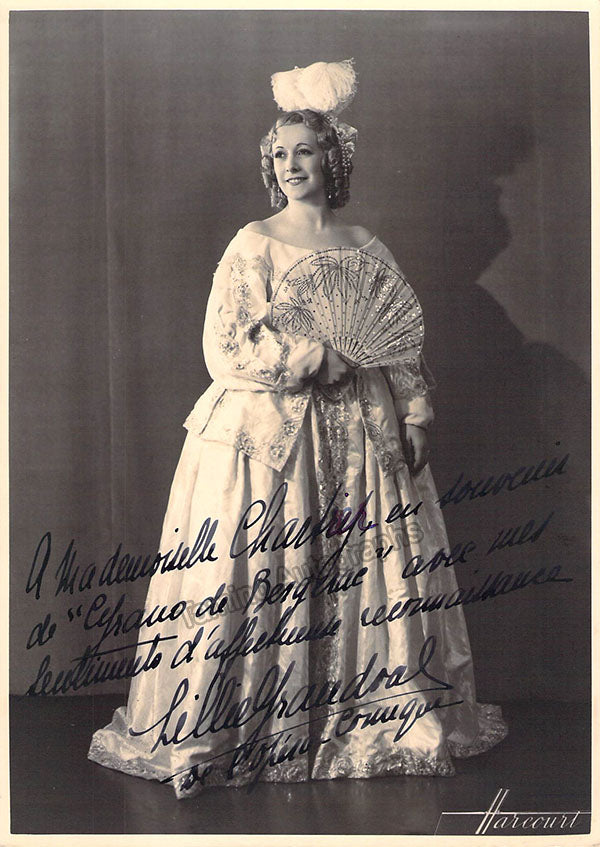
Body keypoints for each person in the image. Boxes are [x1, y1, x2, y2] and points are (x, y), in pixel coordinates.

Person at [88, 60, 507, 799]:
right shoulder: (254, 242)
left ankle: (366, 719)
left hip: (363, 434)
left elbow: (400, 344)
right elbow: (226, 345)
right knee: (265, 566)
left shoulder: (366, 246)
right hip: (271, 437)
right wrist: (311, 356)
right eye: (279, 153)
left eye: (305, 151)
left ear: (333, 160)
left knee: (368, 567)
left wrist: (415, 411)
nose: (290, 165)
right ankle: (253, 725)